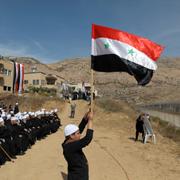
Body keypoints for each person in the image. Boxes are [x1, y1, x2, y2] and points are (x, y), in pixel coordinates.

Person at [62, 110, 93, 180]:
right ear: (71, 136)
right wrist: (90, 120)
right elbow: (87, 139)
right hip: (78, 177)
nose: (80, 135)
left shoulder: (67, 142)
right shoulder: (71, 147)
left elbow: (80, 128)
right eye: (78, 133)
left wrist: (85, 119)